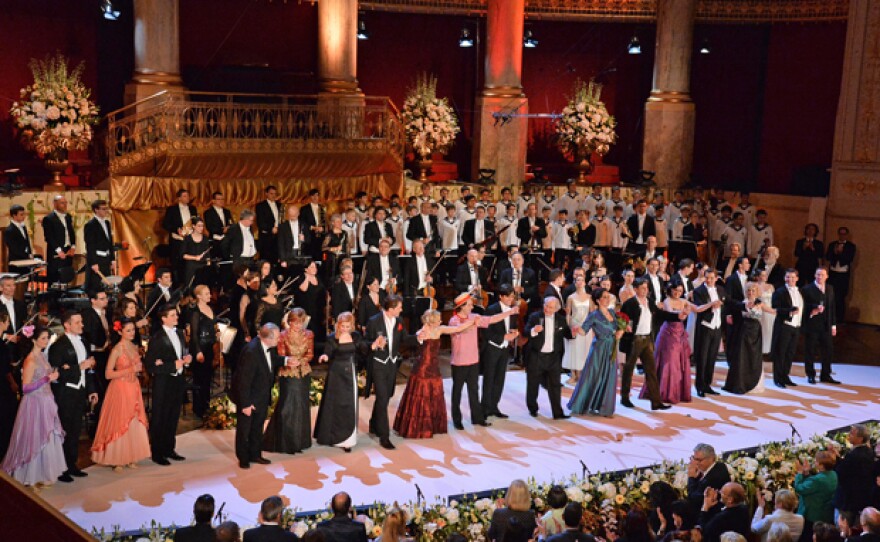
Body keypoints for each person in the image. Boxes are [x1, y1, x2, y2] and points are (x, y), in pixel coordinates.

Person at [1, 326, 66, 488]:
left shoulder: (42, 356)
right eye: (43, 338)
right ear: (34, 340)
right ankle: (30, 476)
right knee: (33, 440)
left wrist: (54, 376)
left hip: (46, 401)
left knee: (46, 438)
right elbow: (25, 388)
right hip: (34, 404)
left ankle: (42, 475)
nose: (46, 341)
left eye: (47, 338)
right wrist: (47, 379)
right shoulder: (30, 359)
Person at [394, 309, 472, 439]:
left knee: (434, 394)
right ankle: (418, 428)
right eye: (438, 319)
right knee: (421, 396)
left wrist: (472, 322)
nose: (441, 321)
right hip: (422, 369)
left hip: (434, 368)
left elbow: (458, 328)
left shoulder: (439, 330)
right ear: (431, 321)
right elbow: (415, 339)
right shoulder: (422, 332)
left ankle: (433, 426)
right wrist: (424, 329)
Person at [90, 318, 151, 470]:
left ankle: (131, 456)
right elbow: (108, 374)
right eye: (128, 330)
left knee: (133, 421)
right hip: (120, 388)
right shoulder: (117, 349)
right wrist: (131, 370)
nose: (132, 333)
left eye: (133, 329)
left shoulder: (134, 347)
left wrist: (138, 370)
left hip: (133, 386)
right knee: (120, 421)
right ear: (120, 332)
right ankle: (117, 459)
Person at [447, 294, 514, 429]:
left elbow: (492, 319)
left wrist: (509, 312)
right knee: (457, 392)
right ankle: (457, 420)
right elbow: (460, 329)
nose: (472, 307)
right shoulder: (453, 320)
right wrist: (472, 323)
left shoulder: (474, 316)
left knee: (474, 391)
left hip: (473, 360)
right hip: (459, 362)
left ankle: (477, 418)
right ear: (462, 306)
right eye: (469, 305)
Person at [48, 311, 99, 482]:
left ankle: (72, 464)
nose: (81, 325)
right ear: (67, 325)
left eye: (81, 322)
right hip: (65, 393)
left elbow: (89, 370)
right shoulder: (58, 346)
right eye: (77, 322)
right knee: (64, 430)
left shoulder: (83, 342)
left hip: (80, 391)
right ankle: (60, 468)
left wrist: (91, 390)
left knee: (75, 430)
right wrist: (79, 367)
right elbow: (57, 374)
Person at [231, 323, 288, 469]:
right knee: (245, 430)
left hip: (261, 395)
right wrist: (245, 404)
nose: (279, 340)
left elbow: (272, 359)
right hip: (249, 398)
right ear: (268, 338)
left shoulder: (268, 347)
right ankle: (244, 458)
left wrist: (286, 360)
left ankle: (255, 454)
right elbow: (243, 381)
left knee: (257, 427)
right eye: (277, 337)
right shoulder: (251, 352)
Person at [619, 278, 681, 411]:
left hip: (647, 340)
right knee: (628, 370)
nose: (645, 290)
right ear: (635, 289)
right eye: (642, 288)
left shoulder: (649, 301)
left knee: (651, 371)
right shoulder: (629, 304)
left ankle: (656, 401)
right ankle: (624, 398)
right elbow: (622, 319)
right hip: (634, 340)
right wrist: (625, 327)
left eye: (646, 288)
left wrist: (677, 317)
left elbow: (660, 314)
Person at [362, 295, 414, 450]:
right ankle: (384, 436)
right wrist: (374, 344)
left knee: (386, 396)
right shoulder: (374, 321)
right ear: (390, 309)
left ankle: (373, 423)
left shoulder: (399, 321)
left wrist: (419, 337)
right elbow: (364, 343)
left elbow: (405, 338)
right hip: (378, 364)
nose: (401, 310)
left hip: (392, 363)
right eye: (399, 307)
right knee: (383, 397)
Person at [144, 305, 192, 466]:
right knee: (160, 417)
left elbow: (182, 352)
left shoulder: (179, 333)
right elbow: (150, 365)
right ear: (163, 319)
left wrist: (186, 359)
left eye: (176, 315)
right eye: (172, 315)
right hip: (163, 382)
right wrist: (172, 366)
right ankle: (157, 453)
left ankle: (169, 449)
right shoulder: (157, 338)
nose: (176, 317)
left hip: (177, 381)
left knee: (173, 415)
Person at [264, 309, 314, 454]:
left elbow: (310, 353)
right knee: (287, 406)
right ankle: (286, 443)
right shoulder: (283, 335)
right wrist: (291, 361)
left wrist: (301, 361)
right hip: (288, 373)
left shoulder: (309, 334)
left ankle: (300, 442)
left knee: (302, 406)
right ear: (289, 322)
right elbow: (281, 354)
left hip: (303, 372)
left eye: (300, 323)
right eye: (295, 322)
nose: (298, 326)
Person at [568, 288, 623, 417]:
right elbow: (584, 331)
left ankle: (605, 408)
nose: (607, 299)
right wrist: (576, 329)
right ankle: (581, 405)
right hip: (599, 348)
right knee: (592, 376)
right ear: (598, 300)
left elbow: (618, 328)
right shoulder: (593, 315)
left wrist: (621, 332)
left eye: (608, 296)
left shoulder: (612, 312)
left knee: (609, 377)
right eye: (604, 297)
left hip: (611, 348)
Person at [315, 313, 363, 452]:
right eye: (343, 326)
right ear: (338, 325)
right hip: (336, 374)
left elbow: (362, 349)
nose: (345, 329)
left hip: (350, 372)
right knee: (334, 404)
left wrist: (374, 346)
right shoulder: (332, 337)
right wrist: (325, 356)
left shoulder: (356, 336)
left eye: (348, 326)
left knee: (349, 404)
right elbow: (328, 351)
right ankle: (332, 437)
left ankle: (348, 440)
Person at [524, 297, 574, 419]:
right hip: (536, 356)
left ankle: (558, 413)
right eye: (546, 305)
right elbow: (525, 332)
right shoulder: (535, 317)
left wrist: (574, 332)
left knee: (555, 386)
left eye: (550, 307)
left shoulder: (561, 319)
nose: (547, 309)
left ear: (556, 309)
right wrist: (534, 330)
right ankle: (533, 409)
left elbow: (568, 334)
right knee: (533, 385)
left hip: (553, 357)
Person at [723, 282, 775, 395]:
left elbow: (773, 311)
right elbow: (731, 310)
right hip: (744, 330)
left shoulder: (760, 303)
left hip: (756, 331)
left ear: (757, 292)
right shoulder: (743, 303)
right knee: (742, 355)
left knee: (754, 355)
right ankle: (740, 383)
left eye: (753, 291)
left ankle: (755, 382)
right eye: (748, 291)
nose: (750, 293)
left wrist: (787, 312)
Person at [480, 284, 520, 419]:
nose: (510, 299)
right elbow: (486, 332)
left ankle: (494, 406)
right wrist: (503, 337)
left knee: (500, 379)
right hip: (492, 348)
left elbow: (512, 325)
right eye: (508, 297)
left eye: (512, 297)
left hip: (504, 349)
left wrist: (514, 332)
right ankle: (485, 408)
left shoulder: (513, 310)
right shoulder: (491, 310)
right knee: (489, 378)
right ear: (501, 296)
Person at [801, 268, 840, 384]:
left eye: (822, 275)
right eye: (818, 274)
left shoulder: (830, 288)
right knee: (810, 350)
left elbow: (832, 307)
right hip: (812, 325)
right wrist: (813, 309)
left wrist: (833, 325)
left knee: (828, 350)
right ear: (814, 275)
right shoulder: (807, 289)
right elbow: (803, 306)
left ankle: (825, 374)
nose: (820, 277)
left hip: (826, 325)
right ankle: (810, 374)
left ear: (827, 276)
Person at [829, 424, 876, 518]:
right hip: (860, 499)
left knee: (842, 523)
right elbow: (849, 467)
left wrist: (834, 461)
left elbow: (841, 472)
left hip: (847, 500)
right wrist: (838, 457)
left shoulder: (854, 455)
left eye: (852, 434)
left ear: (860, 438)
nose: (848, 435)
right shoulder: (869, 451)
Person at [770, 269, 802, 389]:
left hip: (796, 326)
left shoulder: (800, 292)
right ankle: (778, 378)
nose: (790, 279)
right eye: (788, 277)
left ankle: (785, 376)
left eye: (793, 277)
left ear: (797, 278)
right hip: (784, 325)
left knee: (790, 353)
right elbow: (775, 308)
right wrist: (790, 312)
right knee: (780, 353)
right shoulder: (779, 292)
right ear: (784, 278)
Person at [562, 273, 593, 385]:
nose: (579, 282)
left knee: (584, 350)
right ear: (575, 283)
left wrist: (591, 327)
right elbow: (568, 314)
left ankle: (581, 374)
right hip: (574, 326)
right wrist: (568, 328)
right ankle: (573, 374)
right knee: (572, 350)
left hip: (585, 327)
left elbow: (592, 314)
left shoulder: (589, 297)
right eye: (577, 280)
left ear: (585, 283)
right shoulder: (571, 297)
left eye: (581, 280)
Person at [687, 443, 732, 518]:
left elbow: (693, 499)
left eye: (699, 460)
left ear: (711, 458)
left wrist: (691, 477)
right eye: (693, 458)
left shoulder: (715, 477)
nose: (695, 463)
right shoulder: (719, 465)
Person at [83, 199, 116, 294]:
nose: (106, 211)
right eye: (103, 209)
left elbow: (110, 242)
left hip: (106, 259)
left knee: (106, 284)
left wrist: (112, 259)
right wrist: (94, 263)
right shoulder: (90, 225)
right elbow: (90, 245)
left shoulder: (107, 223)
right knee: (97, 286)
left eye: (106, 208)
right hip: (97, 260)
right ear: (96, 210)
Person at [42, 195, 77, 285]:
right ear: (55, 204)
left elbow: (71, 233)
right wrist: (58, 250)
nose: (65, 205)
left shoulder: (68, 216)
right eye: (62, 203)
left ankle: (66, 292)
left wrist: (73, 246)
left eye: (65, 203)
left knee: (66, 277)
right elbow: (49, 237)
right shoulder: (48, 219)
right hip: (56, 252)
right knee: (55, 278)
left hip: (68, 251)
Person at [826, 227, 855, 322]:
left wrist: (840, 253)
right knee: (831, 295)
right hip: (833, 272)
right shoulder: (832, 244)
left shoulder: (851, 246)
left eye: (844, 234)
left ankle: (840, 318)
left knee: (841, 296)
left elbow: (850, 259)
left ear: (847, 235)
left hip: (843, 274)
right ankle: (830, 317)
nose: (842, 236)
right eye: (840, 234)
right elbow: (827, 257)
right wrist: (835, 253)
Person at [182, 218, 212, 291]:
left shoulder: (205, 238)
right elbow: (183, 255)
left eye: (202, 226)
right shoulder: (187, 239)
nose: (201, 228)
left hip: (203, 266)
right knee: (191, 287)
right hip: (191, 266)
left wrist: (209, 263)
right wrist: (195, 257)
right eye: (199, 226)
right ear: (193, 226)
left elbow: (207, 255)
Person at [255, 186, 283, 264]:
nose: (273, 195)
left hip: (278, 236)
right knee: (266, 259)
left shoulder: (280, 205)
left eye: (275, 194)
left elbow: (282, 219)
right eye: (271, 193)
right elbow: (260, 222)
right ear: (266, 194)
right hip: (266, 237)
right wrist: (271, 229)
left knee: (277, 258)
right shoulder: (260, 206)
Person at [754, 269, 777, 356]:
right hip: (761, 312)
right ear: (758, 277)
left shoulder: (771, 286)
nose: (765, 277)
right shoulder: (755, 286)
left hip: (771, 312)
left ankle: (769, 352)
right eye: (763, 275)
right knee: (762, 332)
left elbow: (774, 299)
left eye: (766, 275)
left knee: (770, 332)